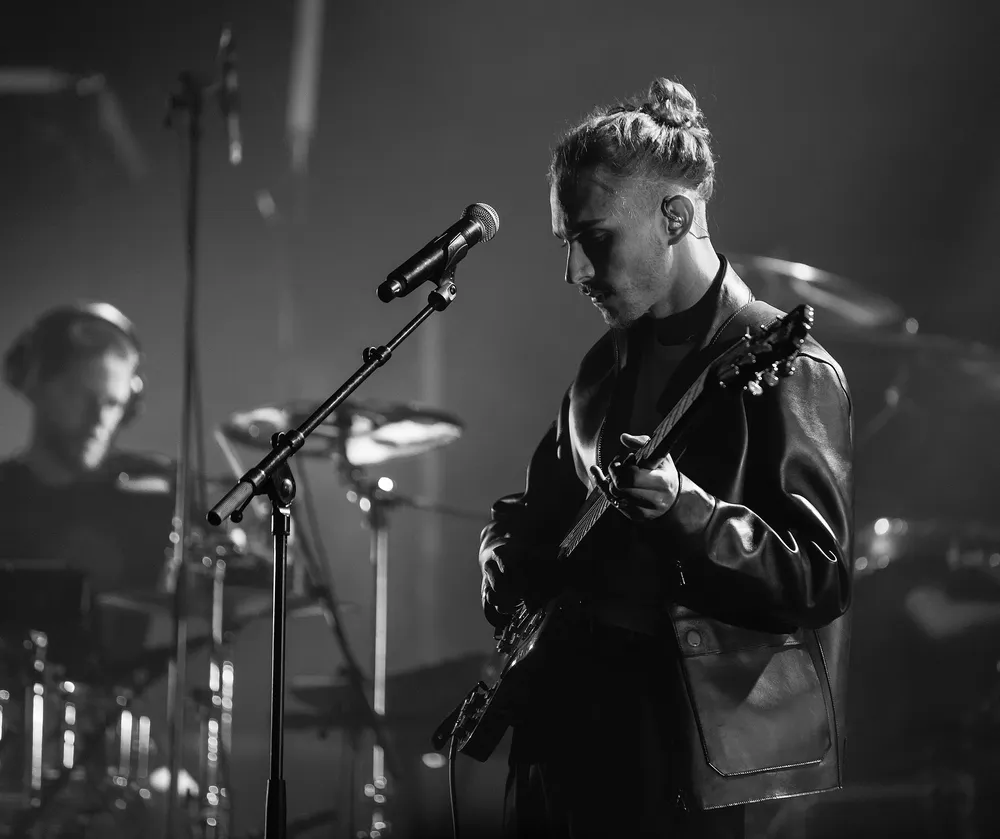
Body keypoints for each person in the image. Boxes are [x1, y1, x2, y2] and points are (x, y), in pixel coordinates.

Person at [478, 79, 854, 838]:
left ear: (675, 217)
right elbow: (535, 512)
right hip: (568, 748)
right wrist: (498, 553)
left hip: (684, 767)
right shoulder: (602, 367)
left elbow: (820, 575)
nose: (575, 273)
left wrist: (688, 510)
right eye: (567, 244)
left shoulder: (791, 366)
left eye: (594, 239)